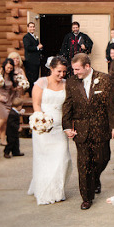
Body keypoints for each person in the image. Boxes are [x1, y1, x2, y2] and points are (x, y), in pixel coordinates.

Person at [62, 53, 114, 210]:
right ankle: (86, 197)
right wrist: (67, 126)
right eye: (73, 69)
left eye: (77, 69)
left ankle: (94, 179)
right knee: (83, 164)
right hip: (81, 130)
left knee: (103, 158)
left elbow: (112, 106)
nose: (75, 72)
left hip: (101, 127)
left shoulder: (105, 79)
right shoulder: (71, 82)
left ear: (87, 66)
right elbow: (68, 104)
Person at [28, 56, 73, 205]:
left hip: (60, 127)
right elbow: (36, 104)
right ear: (51, 69)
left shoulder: (67, 84)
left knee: (63, 158)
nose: (61, 74)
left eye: (64, 72)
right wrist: (42, 121)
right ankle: (45, 191)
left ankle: (57, 191)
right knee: (45, 160)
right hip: (44, 127)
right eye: (59, 71)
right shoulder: (41, 83)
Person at [0, 58, 20, 146]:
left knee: (5, 121)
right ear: (4, 66)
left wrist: (16, 88)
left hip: (8, 100)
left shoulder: (11, 76)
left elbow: (11, 88)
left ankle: (3, 140)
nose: (9, 70)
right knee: (4, 117)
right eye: (8, 68)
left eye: (11, 68)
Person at [23, 22, 43, 91]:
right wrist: (37, 47)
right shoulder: (26, 37)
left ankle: (34, 91)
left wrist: (40, 48)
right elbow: (27, 47)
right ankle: (31, 92)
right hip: (30, 62)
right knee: (31, 78)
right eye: (31, 27)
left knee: (36, 78)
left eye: (33, 27)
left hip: (36, 61)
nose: (32, 28)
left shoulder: (35, 37)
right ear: (28, 28)